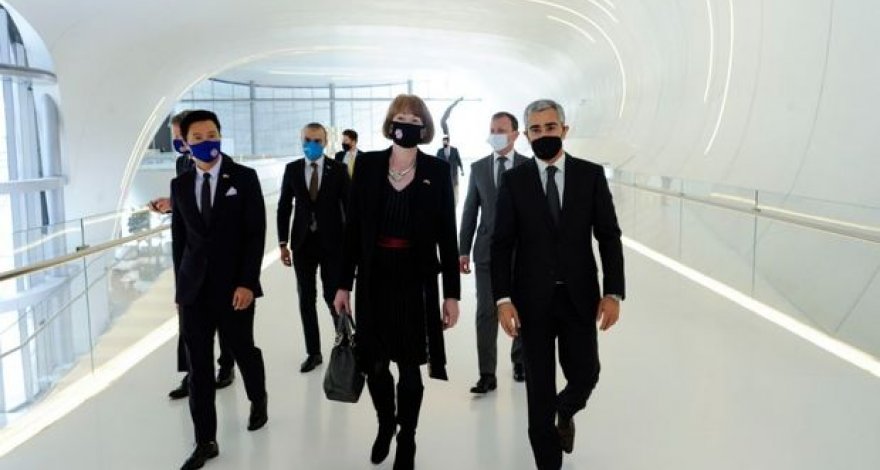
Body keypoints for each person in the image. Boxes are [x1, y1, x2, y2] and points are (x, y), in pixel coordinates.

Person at [491, 99, 625, 470]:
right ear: (526, 135)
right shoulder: (514, 181)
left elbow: (608, 236)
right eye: (535, 129)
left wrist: (613, 292)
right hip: (531, 301)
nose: (543, 135)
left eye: (550, 127)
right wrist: (503, 299)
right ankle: (548, 462)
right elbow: (501, 243)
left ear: (564, 130)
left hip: (580, 297)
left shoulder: (590, 175)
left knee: (586, 373)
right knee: (538, 392)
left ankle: (564, 412)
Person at [333, 94, 460, 470]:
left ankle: (407, 436)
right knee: (374, 364)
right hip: (374, 279)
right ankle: (386, 422)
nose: (407, 123)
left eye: (415, 119)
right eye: (401, 117)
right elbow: (352, 230)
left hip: (415, 280)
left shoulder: (436, 170)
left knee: (409, 367)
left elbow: (447, 236)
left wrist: (451, 295)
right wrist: (343, 284)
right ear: (391, 123)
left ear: (424, 128)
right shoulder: (369, 165)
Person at [170, 110, 269, 470]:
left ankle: (258, 399)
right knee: (199, 367)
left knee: (243, 349)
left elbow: (255, 234)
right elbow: (179, 241)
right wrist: (180, 291)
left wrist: (247, 282)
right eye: (197, 137)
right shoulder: (180, 184)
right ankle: (205, 441)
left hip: (234, 289)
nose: (206, 141)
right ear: (185, 143)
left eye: (212, 134)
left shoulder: (243, 177)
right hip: (194, 291)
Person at [150, 110, 236, 400]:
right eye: (177, 138)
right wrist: (172, 205)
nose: (179, 143)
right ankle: (193, 374)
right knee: (190, 323)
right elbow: (189, 203)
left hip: (220, 256)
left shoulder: (224, 165)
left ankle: (226, 365)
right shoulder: (182, 165)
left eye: (180, 137)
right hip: (192, 255)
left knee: (223, 317)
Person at [459, 111, 528, 394]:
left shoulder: (529, 166)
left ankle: (520, 360)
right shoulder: (478, 168)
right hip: (486, 252)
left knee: (522, 307)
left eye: (501, 130)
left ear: (515, 134)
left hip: (521, 253)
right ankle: (487, 373)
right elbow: (469, 211)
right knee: (486, 312)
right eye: (492, 130)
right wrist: (463, 250)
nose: (496, 135)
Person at [277, 122, 350, 373]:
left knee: (334, 297)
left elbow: (350, 207)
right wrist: (283, 243)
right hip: (302, 244)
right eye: (307, 140)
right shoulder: (292, 169)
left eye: (317, 140)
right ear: (301, 140)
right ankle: (313, 352)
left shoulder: (338, 170)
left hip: (332, 244)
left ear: (325, 142)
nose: (312, 145)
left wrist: (352, 246)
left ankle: (344, 346)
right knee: (306, 300)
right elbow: (284, 207)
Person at [435, 136, 464, 204]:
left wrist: (462, 170)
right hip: (443, 174)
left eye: (445, 142)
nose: (444, 144)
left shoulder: (454, 150)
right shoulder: (440, 151)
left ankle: (455, 204)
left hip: (453, 174)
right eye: (443, 142)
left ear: (448, 142)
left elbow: (459, 160)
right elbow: (436, 161)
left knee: (455, 190)